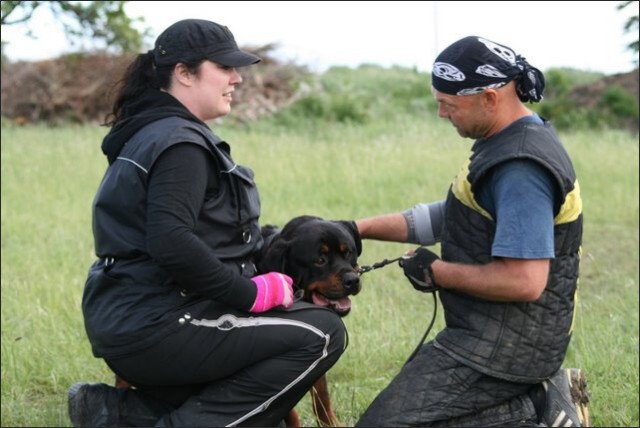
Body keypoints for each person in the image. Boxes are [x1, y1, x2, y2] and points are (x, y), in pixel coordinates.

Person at [68, 19, 348, 427]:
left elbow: (197, 234)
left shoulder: (151, 132)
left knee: (253, 377)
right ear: (183, 73)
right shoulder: (180, 143)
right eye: (224, 67)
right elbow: (171, 242)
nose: (236, 78)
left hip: (130, 317)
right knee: (322, 332)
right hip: (160, 322)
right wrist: (249, 294)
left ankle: (117, 412)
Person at [350, 36, 590, 427]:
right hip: (491, 335)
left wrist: (435, 271)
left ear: (490, 98)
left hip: (504, 348)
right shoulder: (504, 143)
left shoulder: (521, 169)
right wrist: (357, 228)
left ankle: (535, 408)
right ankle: (537, 405)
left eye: (449, 104)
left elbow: (524, 281)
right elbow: (454, 217)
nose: (442, 114)